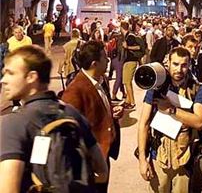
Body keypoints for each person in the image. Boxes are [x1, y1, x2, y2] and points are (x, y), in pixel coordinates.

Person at [0, 45, 108, 192]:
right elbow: (102, 170)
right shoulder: (71, 113)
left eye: (10, 73)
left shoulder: (14, 124)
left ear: (31, 77)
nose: (3, 80)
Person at [137, 47, 202, 193]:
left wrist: (172, 109)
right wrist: (142, 160)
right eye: (175, 64)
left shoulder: (197, 88)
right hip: (158, 157)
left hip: (184, 159)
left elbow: (200, 121)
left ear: (189, 65)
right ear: (168, 62)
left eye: (184, 65)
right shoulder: (156, 86)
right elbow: (143, 124)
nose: (179, 69)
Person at [61, 40, 123, 193]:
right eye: (105, 57)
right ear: (95, 63)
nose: (108, 60)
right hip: (90, 163)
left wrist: (112, 111)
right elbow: (68, 132)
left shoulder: (101, 80)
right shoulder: (75, 90)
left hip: (103, 155)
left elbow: (97, 108)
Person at [121, 21, 141, 109]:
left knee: (127, 82)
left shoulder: (130, 36)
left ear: (121, 28)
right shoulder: (128, 35)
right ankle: (128, 100)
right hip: (128, 61)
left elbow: (138, 47)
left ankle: (132, 102)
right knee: (126, 81)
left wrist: (127, 47)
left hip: (131, 61)